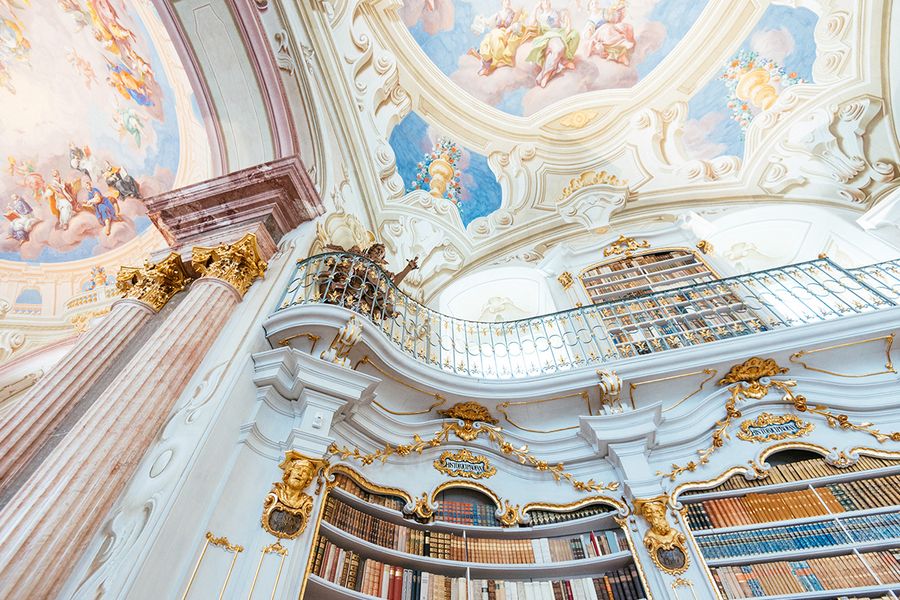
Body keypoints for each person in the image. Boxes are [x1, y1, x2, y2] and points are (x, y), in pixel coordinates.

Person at [468, 0, 528, 75]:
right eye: (506, 1)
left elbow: (518, 24)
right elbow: (488, 22)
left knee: (496, 36)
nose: (508, 2)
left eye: (509, 1)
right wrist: (481, 20)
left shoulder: (513, 13)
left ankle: (495, 63)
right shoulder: (498, 14)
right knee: (486, 41)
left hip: (505, 33)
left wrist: (511, 27)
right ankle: (486, 65)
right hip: (495, 33)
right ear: (502, 2)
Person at [526, 5, 580, 88]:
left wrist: (567, 19)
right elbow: (531, 23)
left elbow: (565, 25)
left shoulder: (556, 12)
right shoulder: (540, 15)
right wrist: (535, 8)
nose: (546, 2)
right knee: (558, 48)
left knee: (574, 35)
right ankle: (547, 74)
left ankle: (546, 73)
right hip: (550, 36)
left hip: (560, 34)